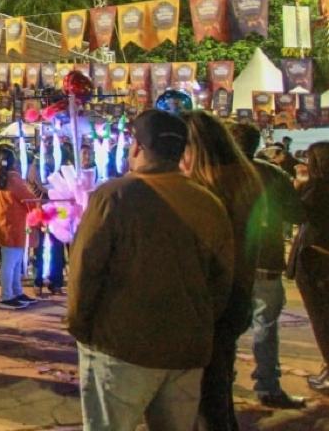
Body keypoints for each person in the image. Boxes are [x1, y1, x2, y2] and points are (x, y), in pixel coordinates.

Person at [68, 109, 234, 431]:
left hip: (121, 347)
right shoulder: (207, 202)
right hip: (186, 348)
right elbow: (221, 280)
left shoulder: (114, 195)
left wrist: (80, 326)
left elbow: (84, 270)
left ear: (138, 148)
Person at [181, 111, 264, 430]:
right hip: (238, 294)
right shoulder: (243, 179)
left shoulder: (208, 189)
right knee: (217, 390)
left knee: (206, 398)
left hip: (213, 299)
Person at [228, 122, 309, 410]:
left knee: (226, 327)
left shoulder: (216, 174)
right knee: (266, 325)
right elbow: (296, 213)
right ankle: (267, 386)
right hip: (266, 258)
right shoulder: (272, 174)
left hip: (229, 262)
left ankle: (223, 385)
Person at [293, 142, 329, 393]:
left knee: (322, 317)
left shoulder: (317, 187)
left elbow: (296, 214)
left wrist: (297, 187)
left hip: (316, 258)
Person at [0, 145, 39, 309]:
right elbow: (29, 197)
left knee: (12, 261)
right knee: (12, 263)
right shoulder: (13, 178)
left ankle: (16, 292)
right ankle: (7, 295)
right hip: (15, 224)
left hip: (1, 222)